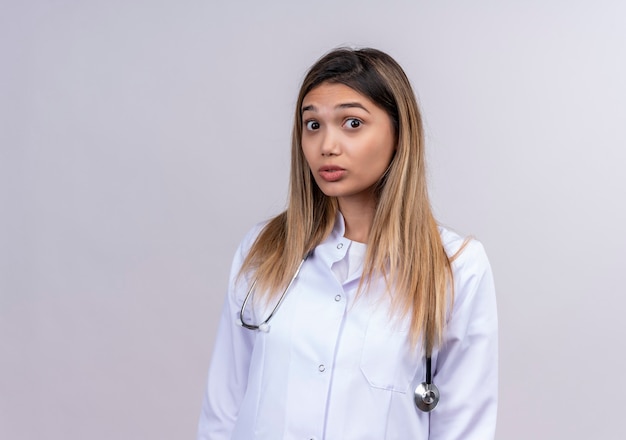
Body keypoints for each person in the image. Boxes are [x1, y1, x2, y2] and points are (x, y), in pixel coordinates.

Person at [197, 47, 498, 440]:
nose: (326, 146)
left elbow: (464, 428)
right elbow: (223, 410)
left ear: (399, 134)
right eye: (313, 125)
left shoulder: (456, 267)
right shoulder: (263, 250)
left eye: (352, 123)